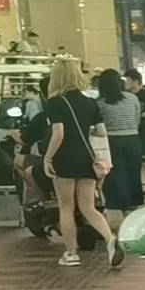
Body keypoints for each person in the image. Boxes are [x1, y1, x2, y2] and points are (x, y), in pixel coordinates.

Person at [42, 58, 121, 267]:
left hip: (64, 158)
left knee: (66, 207)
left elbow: (58, 134)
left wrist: (48, 157)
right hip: (87, 158)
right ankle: (110, 239)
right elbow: (101, 131)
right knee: (88, 207)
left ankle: (71, 253)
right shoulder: (90, 102)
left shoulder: (55, 102)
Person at [94, 69, 145, 212]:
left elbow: (100, 125)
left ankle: (123, 207)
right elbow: (137, 119)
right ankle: (134, 205)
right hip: (133, 139)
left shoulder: (100, 102)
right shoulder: (132, 98)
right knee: (134, 173)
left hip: (112, 141)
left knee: (117, 176)